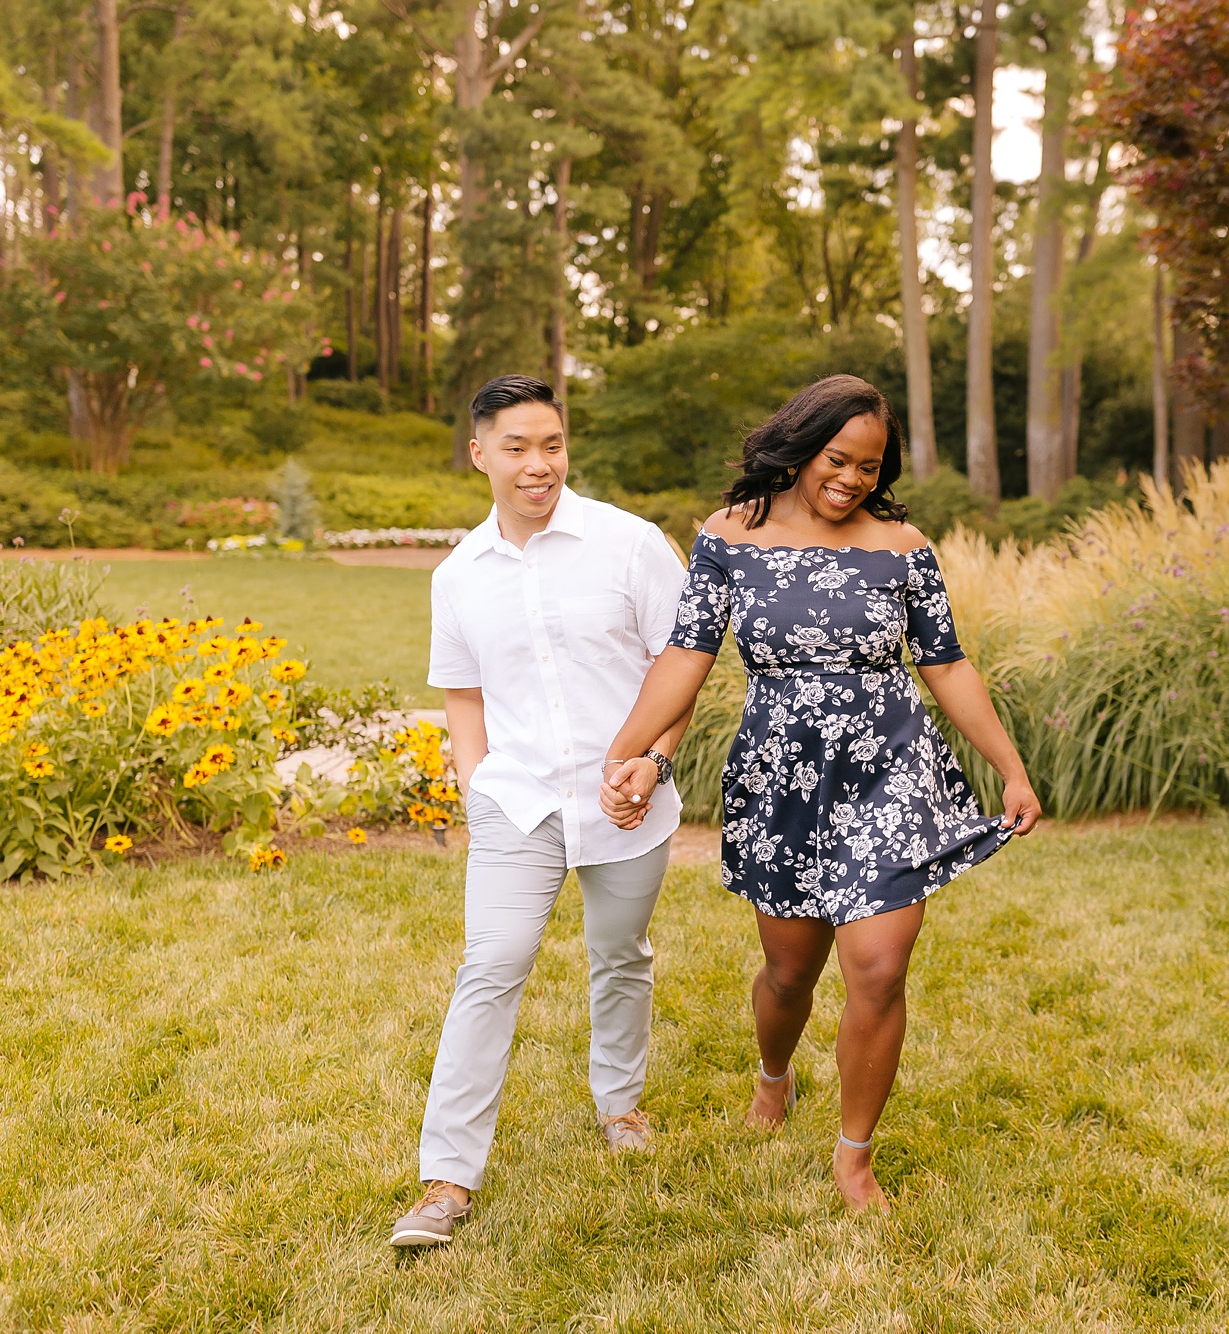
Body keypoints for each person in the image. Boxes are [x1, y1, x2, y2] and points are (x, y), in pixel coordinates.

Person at [598, 373, 1041, 1212]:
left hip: (889, 765)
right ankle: (774, 1075)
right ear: (802, 446)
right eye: (838, 459)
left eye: (870, 467)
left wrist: (1011, 768)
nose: (852, 479)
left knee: (878, 966)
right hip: (783, 770)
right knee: (789, 970)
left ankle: (853, 1155)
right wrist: (627, 751)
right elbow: (687, 655)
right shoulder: (732, 534)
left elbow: (945, 662)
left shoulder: (904, 546)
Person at [390, 375, 693, 1248]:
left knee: (619, 953)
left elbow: (682, 667)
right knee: (491, 965)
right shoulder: (459, 575)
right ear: (479, 453)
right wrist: (476, 786)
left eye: (551, 445)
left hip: (629, 800)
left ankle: (621, 1104)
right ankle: (446, 1180)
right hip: (516, 804)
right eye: (517, 447)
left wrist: (654, 760)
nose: (538, 465)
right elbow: (462, 696)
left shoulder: (630, 545)